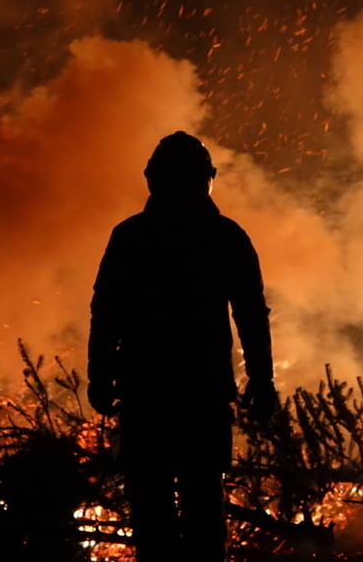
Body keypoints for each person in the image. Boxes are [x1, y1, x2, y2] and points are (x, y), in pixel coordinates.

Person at [87, 131, 277, 562]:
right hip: (201, 393)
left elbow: (106, 313)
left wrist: (100, 375)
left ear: (151, 179)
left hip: (146, 391)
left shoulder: (131, 236)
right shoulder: (225, 236)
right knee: (203, 510)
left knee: (153, 513)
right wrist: (261, 379)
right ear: (208, 178)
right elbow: (250, 313)